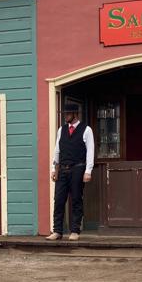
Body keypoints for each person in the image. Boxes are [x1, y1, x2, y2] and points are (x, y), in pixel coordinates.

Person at [48, 101, 94, 241]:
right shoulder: (61, 130)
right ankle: (57, 231)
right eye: (64, 114)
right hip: (62, 169)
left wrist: (88, 171)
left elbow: (90, 151)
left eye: (67, 114)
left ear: (74, 114)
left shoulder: (86, 130)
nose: (65, 116)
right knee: (59, 200)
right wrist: (53, 168)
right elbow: (57, 150)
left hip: (78, 169)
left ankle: (75, 230)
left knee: (76, 200)